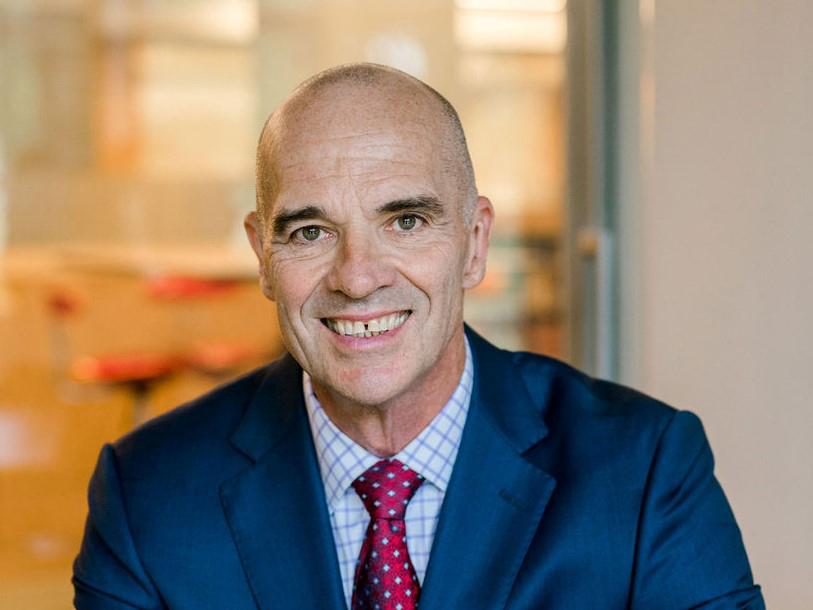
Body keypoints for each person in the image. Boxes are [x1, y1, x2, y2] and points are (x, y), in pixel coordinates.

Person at [73, 63, 764, 610]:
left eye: (404, 221)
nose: (357, 277)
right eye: (311, 232)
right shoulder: (148, 497)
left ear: (473, 242)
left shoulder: (642, 471)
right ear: (262, 255)